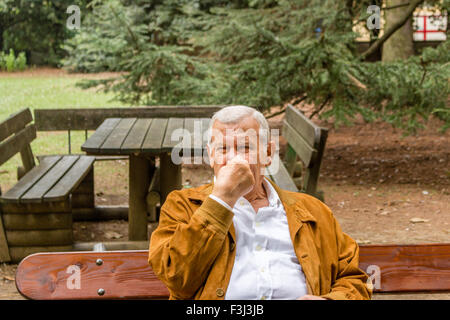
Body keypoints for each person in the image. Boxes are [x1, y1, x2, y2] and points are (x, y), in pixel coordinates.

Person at [148, 105, 372, 300]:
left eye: (245, 147)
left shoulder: (314, 212)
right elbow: (176, 278)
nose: (234, 159)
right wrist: (222, 200)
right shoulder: (183, 206)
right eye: (223, 149)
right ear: (210, 156)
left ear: (267, 153)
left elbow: (352, 278)